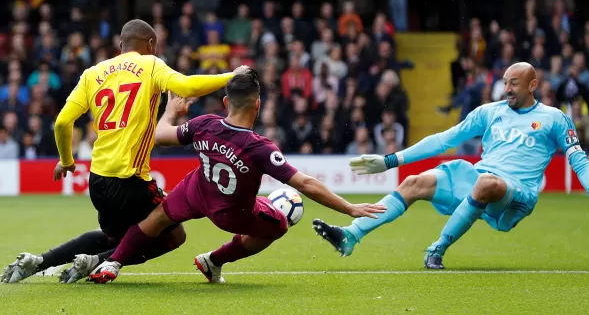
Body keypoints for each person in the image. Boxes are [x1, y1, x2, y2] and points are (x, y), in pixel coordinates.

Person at [86, 69, 386, 284]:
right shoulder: (260, 148)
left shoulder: (204, 123)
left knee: (157, 219)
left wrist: (171, 110)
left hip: (195, 191)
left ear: (227, 103)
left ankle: (113, 264)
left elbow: (161, 135)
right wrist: (349, 208)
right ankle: (213, 261)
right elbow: (305, 183)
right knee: (278, 224)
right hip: (231, 211)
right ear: (258, 105)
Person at [2, 19, 241, 284]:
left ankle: (40, 261)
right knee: (174, 234)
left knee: (115, 237)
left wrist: (67, 160)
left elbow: (61, 122)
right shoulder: (151, 65)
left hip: (98, 180)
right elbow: (185, 87)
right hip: (130, 180)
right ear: (150, 44)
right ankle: (100, 261)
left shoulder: (92, 73)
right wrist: (232, 76)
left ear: (120, 44)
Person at [314, 62, 589, 269]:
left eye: (514, 83)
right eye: (504, 81)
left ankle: (437, 249)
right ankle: (351, 235)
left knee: (487, 183)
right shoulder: (490, 112)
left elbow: (579, 161)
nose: (507, 88)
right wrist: (391, 160)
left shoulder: (554, 118)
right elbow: (443, 140)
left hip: (517, 195)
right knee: (414, 182)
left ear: (532, 85)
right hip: (479, 178)